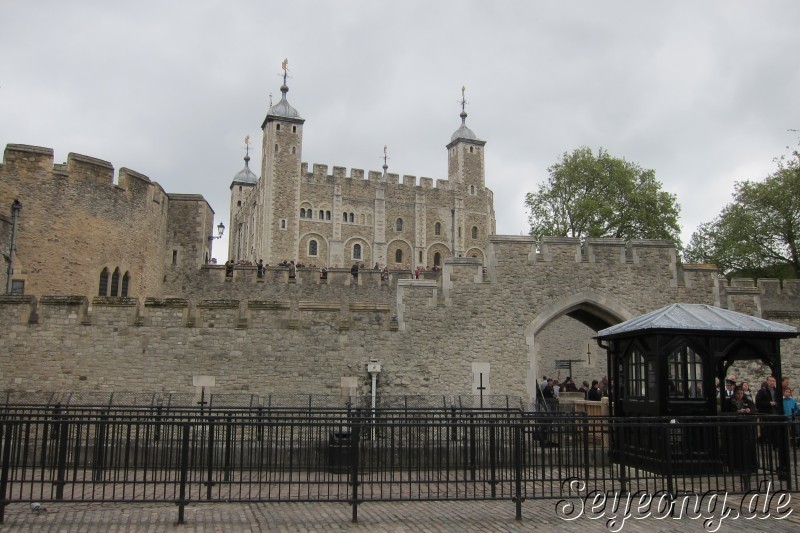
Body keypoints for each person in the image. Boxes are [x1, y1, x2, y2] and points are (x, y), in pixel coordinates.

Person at [722, 386, 758, 475]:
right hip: (734, 428)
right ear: (735, 393)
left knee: (748, 446)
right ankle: (736, 466)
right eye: (738, 393)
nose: (740, 395)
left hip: (746, 427)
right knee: (736, 446)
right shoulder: (729, 402)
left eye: (741, 393)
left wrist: (749, 410)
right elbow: (726, 412)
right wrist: (737, 412)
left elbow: (754, 410)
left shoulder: (748, 401)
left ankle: (749, 466)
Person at [756, 375, 780, 447]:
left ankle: (775, 445)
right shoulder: (762, 391)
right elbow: (758, 402)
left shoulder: (777, 391)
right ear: (767, 381)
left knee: (776, 429)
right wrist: (769, 403)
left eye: (773, 381)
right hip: (766, 413)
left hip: (775, 413)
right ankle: (765, 442)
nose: (772, 382)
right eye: (771, 381)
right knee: (767, 429)